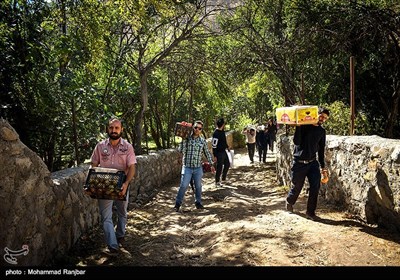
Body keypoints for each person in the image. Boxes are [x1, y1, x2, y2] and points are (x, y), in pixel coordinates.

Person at [89, 118, 136, 255]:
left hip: (122, 185)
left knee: (122, 212)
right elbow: (93, 165)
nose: (114, 130)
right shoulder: (100, 146)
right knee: (106, 216)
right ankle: (112, 245)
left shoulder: (128, 147)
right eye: (111, 128)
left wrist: (126, 184)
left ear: (121, 129)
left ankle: (120, 234)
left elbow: (132, 167)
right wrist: (92, 184)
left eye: (116, 128)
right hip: (104, 187)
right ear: (107, 129)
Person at [285, 108, 330, 221]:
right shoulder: (305, 125)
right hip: (299, 163)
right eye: (322, 116)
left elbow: (321, 150)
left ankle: (310, 212)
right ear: (316, 114)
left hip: (312, 163)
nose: (323, 119)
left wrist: (323, 167)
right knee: (297, 186)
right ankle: (290, 201)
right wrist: (299, 126)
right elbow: (296, 142)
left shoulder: (321, 131)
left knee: (315, 186)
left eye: (325, 118)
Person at [174, 120, 215, 212]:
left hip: (197, 167)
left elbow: (207, 153)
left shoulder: (202, 141)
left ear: (201, 130)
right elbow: (180, 149)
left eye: (199, 128)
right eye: (196, 127)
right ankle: (177, 204)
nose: (197, 129)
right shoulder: (187, 138)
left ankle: (198, 203)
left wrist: (211, 164)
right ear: (193, 127)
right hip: (187, 167)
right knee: (183, 185)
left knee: (198, 186)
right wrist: (183, 139)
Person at [212, 117, 230, 186]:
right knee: (219, 167)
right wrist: (215, 155)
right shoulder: (216, 133)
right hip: (219, 153)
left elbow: (224, 141)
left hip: (223, 151)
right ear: (222, 125)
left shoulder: (222, 132)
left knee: (227, 164)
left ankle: (223, 178)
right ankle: (217, 181)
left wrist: (227, 147)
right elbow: (214, 145)